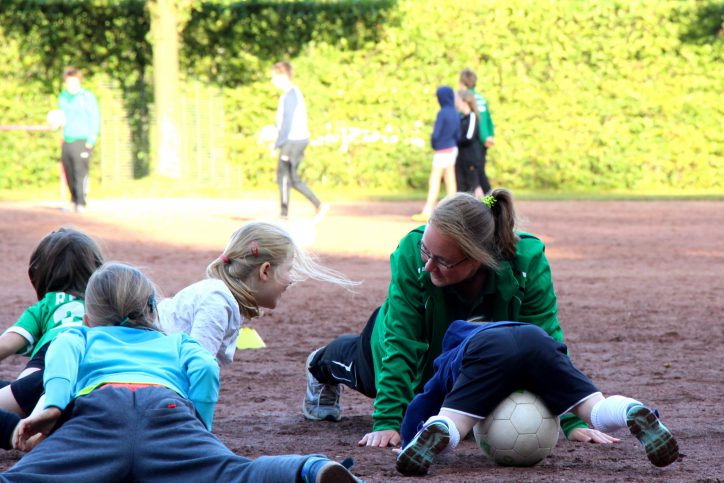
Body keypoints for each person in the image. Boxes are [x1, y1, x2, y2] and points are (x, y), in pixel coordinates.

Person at [304, 189, 611, 448]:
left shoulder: (526, 261)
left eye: (443, 261)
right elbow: (401, 340)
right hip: (389, 347)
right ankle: (321, 363)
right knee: (362, 369)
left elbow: (545, 340)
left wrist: (570, 417)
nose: (428, 266)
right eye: (427, 252)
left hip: (468, 363)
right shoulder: (413, 254)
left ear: (477, 258)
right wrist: (387, 421)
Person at [2, 263, 362, 483]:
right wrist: (198, 425)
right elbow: (205, 366)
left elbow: (63, 353)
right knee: (234, 473)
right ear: (153, 310)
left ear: (89, 317)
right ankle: (309, 470)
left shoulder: (80, 334)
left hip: (100, 411)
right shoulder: (176, 342)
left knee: (25, 476)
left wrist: (52, 407)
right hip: (168, 409)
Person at [396, 319, 680, 475]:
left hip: (486, 351)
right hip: (538, 339)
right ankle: (631, 410)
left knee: (454, 421)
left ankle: (437, 432)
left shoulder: (453, 353)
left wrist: (408, 440)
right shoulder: (515, 327)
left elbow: (422, 401)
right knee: (593, 408)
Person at [158, 222, 357, 366]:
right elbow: (197, 369)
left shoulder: (219, 297)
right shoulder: (216, 302)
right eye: (288, 269)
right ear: (265, 271)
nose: (292, 279)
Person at [0, 228, 104, 418]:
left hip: (45, 362)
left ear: (37, 274)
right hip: (93, 364)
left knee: (22, 400)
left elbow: (5, 345)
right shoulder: (102, 305)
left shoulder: (45, 306)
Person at [271, 61, 328, 221]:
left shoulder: (291, 94)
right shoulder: (291, 94)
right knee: (291, 178)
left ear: (283, 75)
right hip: (295, 140)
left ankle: (284, 214)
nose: (272, 81)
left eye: (274, 77)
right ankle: (318, 205)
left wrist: (278, 143)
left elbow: (287, 121)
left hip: (292, 141)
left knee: (283, 176)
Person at [412, 86, 461, 222]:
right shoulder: (455, 113)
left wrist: (434, 144)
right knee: (450, 180)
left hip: (441, 150)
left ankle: (428, 209)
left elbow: (436, 134)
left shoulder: (442, 113)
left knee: (434, 179)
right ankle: (455, 210)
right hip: (452, 149)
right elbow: (458, 134)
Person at [58, 66, 100, 213]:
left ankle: (81, 202)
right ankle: (73, 199)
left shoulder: (86, 97)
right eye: (69, 82)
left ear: (78, 81)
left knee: (80, 171)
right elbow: (61, 118)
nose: (71, 85)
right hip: (67, 139)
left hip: (82, 139)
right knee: (68, 171)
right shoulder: (63, 97)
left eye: (74, 82)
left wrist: (91, 138)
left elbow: (94, 117)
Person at [459, 68, 494, 182]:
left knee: (478, 178)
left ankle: (491, 200)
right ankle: (485, 199)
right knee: (478, 176)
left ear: (462, 82)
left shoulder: (465, 98)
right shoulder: (482, 98)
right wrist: (489, 136)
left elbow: (467, 121)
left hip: (472, 144)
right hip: (482, 141)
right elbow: (488, 119)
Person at [454, 90, 490, 197]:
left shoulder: (472, 117)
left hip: (471, 159)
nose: (456, 102)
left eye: (458, 100)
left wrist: (454, 141)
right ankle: (465, 211)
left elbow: (469, 137)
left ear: (465, 101)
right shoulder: (461, 118)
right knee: (462, 188)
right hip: (461, 158)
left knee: (478, 186)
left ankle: (494, 207)